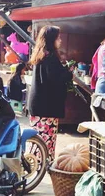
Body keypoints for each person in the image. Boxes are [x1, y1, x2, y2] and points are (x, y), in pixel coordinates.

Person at [28, 26, 72, 162]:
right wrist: (68, 73)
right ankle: (42, 166)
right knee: (46, 140)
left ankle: (34, 164)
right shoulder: (50, 57)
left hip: (38, 105)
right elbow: (57, 78)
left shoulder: (41, 54)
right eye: (58, 38)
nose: (60, 40)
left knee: (38, 139)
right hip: (46, 107)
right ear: (51, 39)